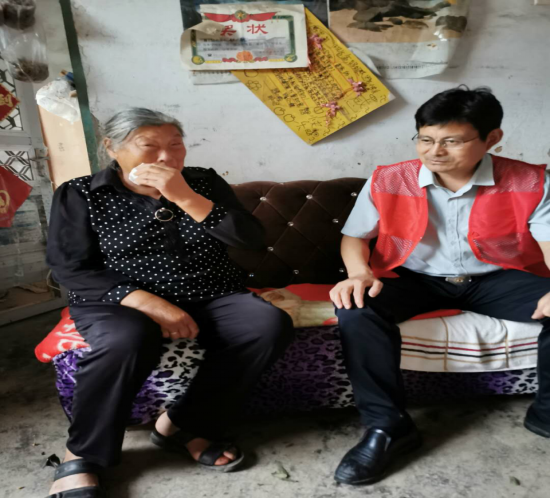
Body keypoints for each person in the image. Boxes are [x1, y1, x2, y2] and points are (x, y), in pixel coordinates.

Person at [45, 108, 294, 498]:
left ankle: (182, 424)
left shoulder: (203, 182)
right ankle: (82, 453)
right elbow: (69, 267)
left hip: (210, 291)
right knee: (125, 339)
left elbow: (251, 239)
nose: (166, 157)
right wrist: (147, 302)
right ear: (112, 147)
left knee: (266, 326)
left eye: (176, 145)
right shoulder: (80, 193)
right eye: (149, 146)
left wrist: (185, 197)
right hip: (115, 298)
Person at [331, 87, 550, 486]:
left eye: (452, 141)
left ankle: (546, 413)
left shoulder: (529, 180)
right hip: (415, 279)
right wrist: (359, 272)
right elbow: (354, 237)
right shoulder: (388, 179)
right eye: (425, 139)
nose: (435, 152)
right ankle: (387, 428)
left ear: (492, 138)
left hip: (496, 277)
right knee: (357, 308)